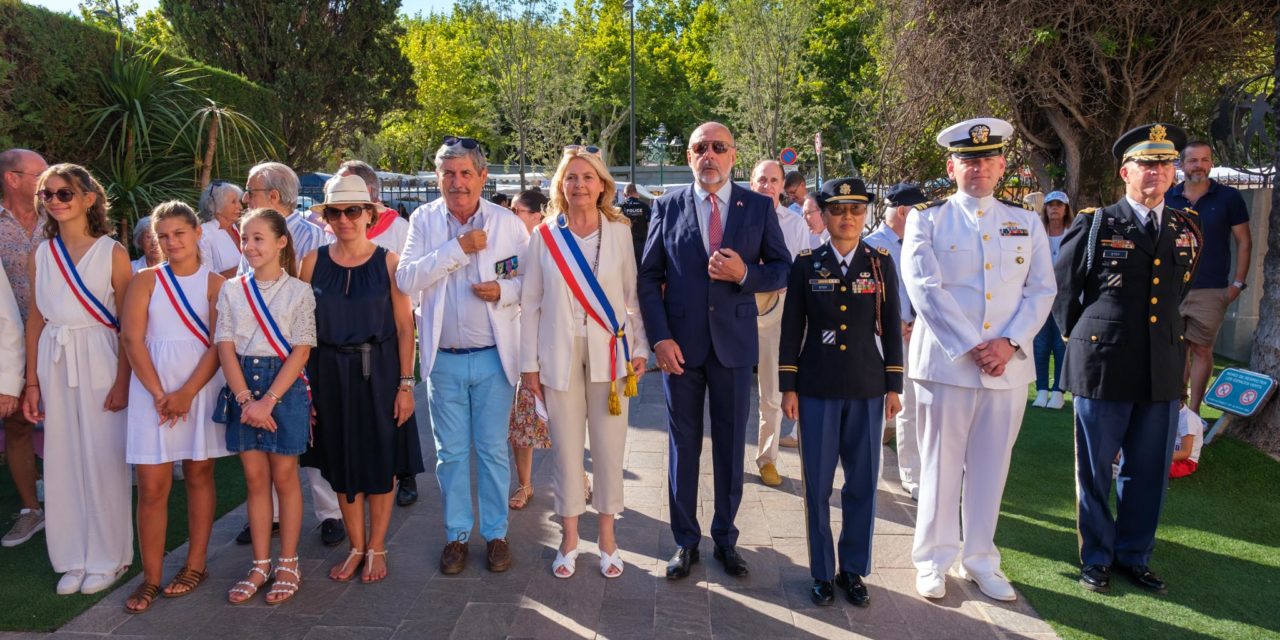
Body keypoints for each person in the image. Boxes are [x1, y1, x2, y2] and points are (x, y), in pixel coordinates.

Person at [902, 118, 1055, 602]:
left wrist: (1008, 343)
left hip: (1006, 369)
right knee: (940, 467)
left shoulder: (1026, 222)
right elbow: (924, 288)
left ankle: (981, 559)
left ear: (1003, 165)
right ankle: (932, 560)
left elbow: (1041, 289)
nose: (979, 167)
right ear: (952, 167)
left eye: (987, 159)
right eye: (969, 160)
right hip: (948, 366)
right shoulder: (927, 219)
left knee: (992, 468)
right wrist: (974, 345)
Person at [637, 121, 791, 580]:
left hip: (734, 349)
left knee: (728, 448)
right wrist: (660, 338)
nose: (709, 154)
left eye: (718, 147)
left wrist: (746, 274)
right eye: (699, 147)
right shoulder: (667, 206)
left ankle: (725, 538)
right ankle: (685, 541)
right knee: (684, 448)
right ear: (689, 157)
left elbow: (782, 270)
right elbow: (649, 277)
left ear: (732, 155)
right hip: (679, 351)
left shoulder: (758, 207)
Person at [1054, 123, 1201, 596]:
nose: (1157, 171)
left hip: (1160, 366)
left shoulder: (1185, 228)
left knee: (1148, 470)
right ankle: (1096, 557)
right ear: (1125, 172)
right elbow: (1064, 292)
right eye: (1147, 163)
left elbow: (1180, 292)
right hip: (1104, 363)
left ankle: (1133, 556)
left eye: (1165, 163)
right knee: (1096, 470)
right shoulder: (1097, 222)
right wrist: (1081, 338)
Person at [395, 136, 529, 575]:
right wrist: (459, 249)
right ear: (438, 177)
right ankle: (455, 535)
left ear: (482, 177)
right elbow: (407, 280)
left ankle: (495, 535)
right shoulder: (424, 220)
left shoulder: (508, 223)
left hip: (493, 358)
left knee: (491, 450)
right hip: (444, 359)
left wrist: (504, 290)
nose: (457, 183)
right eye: (448, 174)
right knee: (449, 454)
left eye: (465, 173)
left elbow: (528, 282)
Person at [520, 148, 650, 579]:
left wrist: (640, 348)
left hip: (610, 353)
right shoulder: (544, 236)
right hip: (557, 354)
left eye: (587, 177)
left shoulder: (619, 231)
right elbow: (531, 303)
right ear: (560, 185)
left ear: (602, 185)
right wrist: (529, 366)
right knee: (567, 452)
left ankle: (609, 538)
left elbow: (631, 298)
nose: (579, 185)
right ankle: (570, 536)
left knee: (610, 449)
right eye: (570, 177)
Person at [780, 177, 903, 607]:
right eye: (837, 210)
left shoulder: (879, 262)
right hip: (816, 388)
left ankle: (852, 569)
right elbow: (792, 327)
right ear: (824, 215)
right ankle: (820, 571)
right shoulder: (806, 263)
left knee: (863, 483)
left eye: (855, 210)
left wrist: (894, 385)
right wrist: (788, 386)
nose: (847, 217)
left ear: (865, 214)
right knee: (816, 486)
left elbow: (890, 326)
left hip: (868, 388)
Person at [299, 176, 423, 584]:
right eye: (335, 212)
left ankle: (377, 546)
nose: (344, 219)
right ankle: (356, 546)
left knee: (381, 460)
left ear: (370, 214)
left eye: (353, 210)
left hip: (380, 372)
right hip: (328, 373)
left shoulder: (389, 261)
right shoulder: (312, 262)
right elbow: (302, 330)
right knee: (340, 461)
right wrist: (306, 388)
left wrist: (406, 385)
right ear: (327, 217)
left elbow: (406, 329)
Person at [22, 164, 134, 595]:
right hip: (55, 356)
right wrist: (31, 381)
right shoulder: (41, 254)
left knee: (103, 458)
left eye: (64, 193)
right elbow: (35, 319)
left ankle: (111, 556)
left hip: (100, 355)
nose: (54, 201)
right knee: (62, 458)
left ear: (89, 198)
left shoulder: (113, 252)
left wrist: (124, 381)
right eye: (46, 194)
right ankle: (71, 556)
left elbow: (127, 325)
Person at [119, 201, 230, 613]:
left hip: (197, 388)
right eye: (162, 237)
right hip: (153, 392)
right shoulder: (145, 280)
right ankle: (150, 577)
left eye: (178, 233)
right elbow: (132, 339)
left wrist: (185, 394)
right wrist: (159, 393)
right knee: (151, 486)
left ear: (197, 233)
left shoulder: (216, 284)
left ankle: (195, 565)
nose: (170, 242)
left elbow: (220, 345)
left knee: (200, 473)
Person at [233, 162, 344, 548]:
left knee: (310, 434)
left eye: (251, 191)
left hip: (304, 350)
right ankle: (270, 517)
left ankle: (329, 513)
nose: (245, 199)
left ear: (274, 196)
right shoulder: (247, 238)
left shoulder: (313, 238)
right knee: (263, 450)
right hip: (258, 359)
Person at [216, 207, 315, 605]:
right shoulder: (231, 289)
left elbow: (302, 349)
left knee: (285, 478)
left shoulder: (299, 291)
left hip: (283, 388)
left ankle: (288, 562)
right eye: (244, 238)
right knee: (255, 481)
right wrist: (245, 399)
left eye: (258, 238)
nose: (250, 246)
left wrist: (269, 400)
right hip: (243, 386)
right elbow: (224, 345)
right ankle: (260, 563)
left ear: (280, 242)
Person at [332, 160, 420, 508]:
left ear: (369, 196)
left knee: (396, 416)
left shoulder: (398, 228)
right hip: (344, 339)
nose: (344, 213)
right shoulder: (333, 226)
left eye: (352, 203)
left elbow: (409, 280)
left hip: (384, 337)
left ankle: (405, 475)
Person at [1165, 141, 1251, 416]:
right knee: (1177, 350)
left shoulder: (1229, 198)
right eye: (1193, 160)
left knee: (1201, 349)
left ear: (1211, 163)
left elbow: (1244, 242)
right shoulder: (1168, 198)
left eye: (1205, 159)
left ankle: (1193, 413)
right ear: (1181, 165)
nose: (1199, 165)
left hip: (1211, 289)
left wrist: (1236, 285)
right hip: (1172, 288)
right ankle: (1175, 408)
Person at [748, 159, 811, 487]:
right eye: (762, 180)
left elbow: (801, 272)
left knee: (772, 391)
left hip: (776, 309)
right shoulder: (736, 215)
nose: (767, 186)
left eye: (774, 180)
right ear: (751, 182)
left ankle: (767, 458)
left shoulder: (794, 223)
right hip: (738, 305)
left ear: (782, 186)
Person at [864, 181, 928, 499]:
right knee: (876, 406)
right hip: (881, 338)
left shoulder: (919, 242)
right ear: (903, 211)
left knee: (910, 406)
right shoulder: (872, 244)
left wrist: (917, 320)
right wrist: (894, 320)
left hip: (917, 335)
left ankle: (911, 475)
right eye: (919, 211)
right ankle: (869, 475)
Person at [0, 148, 47, 549]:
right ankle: (32, 510)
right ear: (12, 179)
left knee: (71, 419)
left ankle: (76, 501)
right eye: (38, 175)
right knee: (16, 422)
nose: (47, 182)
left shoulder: (60, 218)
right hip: (10, 344)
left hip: (63, 338)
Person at [507, 188, 552, 511]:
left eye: (517, 211)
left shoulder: (553, 244)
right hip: (521, 344)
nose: (511, 216)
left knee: (567, 419)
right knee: (522, 422)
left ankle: (577, 475)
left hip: (554, 344)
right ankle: (525, 485)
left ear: (537, 214)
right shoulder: (509, 247)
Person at [1032, 191, 1074, 409]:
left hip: (1065, 298)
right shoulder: (1037, 232)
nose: (1054, 209)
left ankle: (1058, 392)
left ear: (1066, 209)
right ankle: (1041, 390)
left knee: (1060, 346)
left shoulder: (1074, 232)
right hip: (1040, 297)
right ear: (1045, 209)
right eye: (1050, 205)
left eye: (1059, 205)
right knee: (1040, 345)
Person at [196, 180, 245, 278]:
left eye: (239, 201)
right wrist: (245, 268)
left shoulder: (240, 228)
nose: (240, 206)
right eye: (233, 202)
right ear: (217, 206)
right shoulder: (204, 234)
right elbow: (206, 279)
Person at [619, 182, 652, 264]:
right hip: (641, 244)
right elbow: (650, 225)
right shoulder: (645, 206)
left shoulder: (621, 207)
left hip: (624, 244)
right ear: (637, 193)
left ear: (624, 194)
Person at [1169, 403, 1203, 479]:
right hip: (1170, 453)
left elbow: (1185, 453)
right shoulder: (1171, 412)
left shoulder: (1188, 419)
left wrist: (1159, 457)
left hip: (1186, 462)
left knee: (1154, 468)